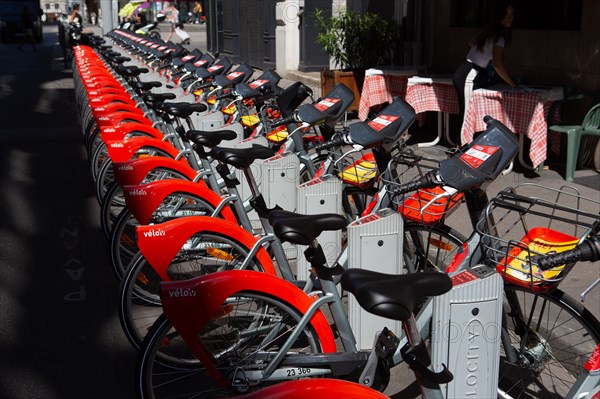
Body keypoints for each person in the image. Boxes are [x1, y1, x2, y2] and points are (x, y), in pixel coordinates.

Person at [453, 1, 517, 138]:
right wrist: (512, 84)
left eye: (512, 14)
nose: (510, 18)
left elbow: (471, 42)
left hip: (466, 71)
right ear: (499, 16)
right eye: (506, 14)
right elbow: (498, 64)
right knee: (466, 113)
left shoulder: (488, 33)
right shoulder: (498, 37)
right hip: (469, 74)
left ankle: (463, 147)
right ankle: (462, 148)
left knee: (467, 112)